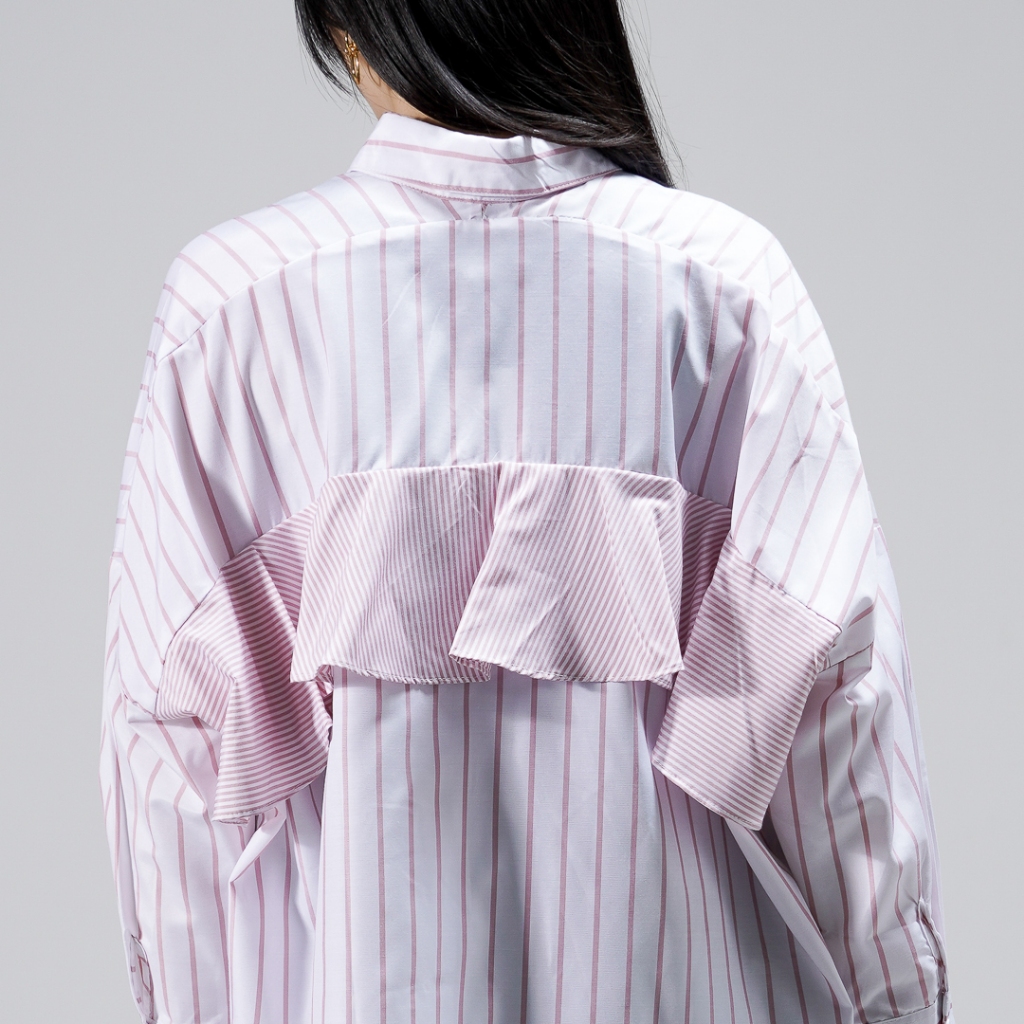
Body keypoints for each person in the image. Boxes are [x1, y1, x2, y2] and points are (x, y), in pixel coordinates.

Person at [100, 1, 953, 1022]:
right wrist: (900, 1000)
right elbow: (838, 714)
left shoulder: (234, 309)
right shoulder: (725, 287)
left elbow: (178, 772)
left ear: (349, 27)